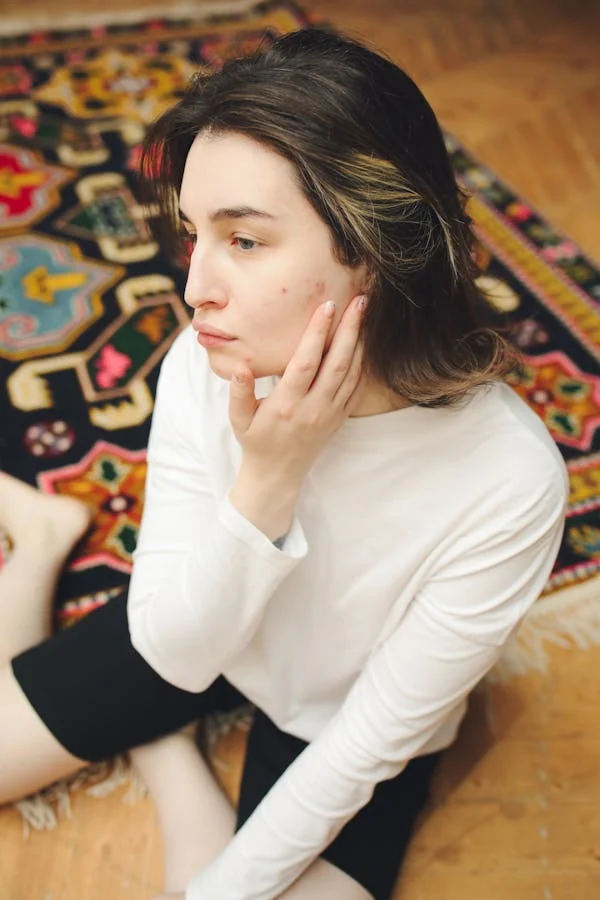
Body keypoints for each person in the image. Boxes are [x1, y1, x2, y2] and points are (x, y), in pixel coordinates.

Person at [1, 27, 567, 900]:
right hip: (206, 622)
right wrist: (268, 479)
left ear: (377, 245)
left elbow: (362, 749)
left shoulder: (509, 481)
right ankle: (42, 539)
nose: (195, 289)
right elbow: (173, 655)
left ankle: (158, 740)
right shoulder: (203, 364)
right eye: (194, 235)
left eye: (245, 240)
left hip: (343, 719)